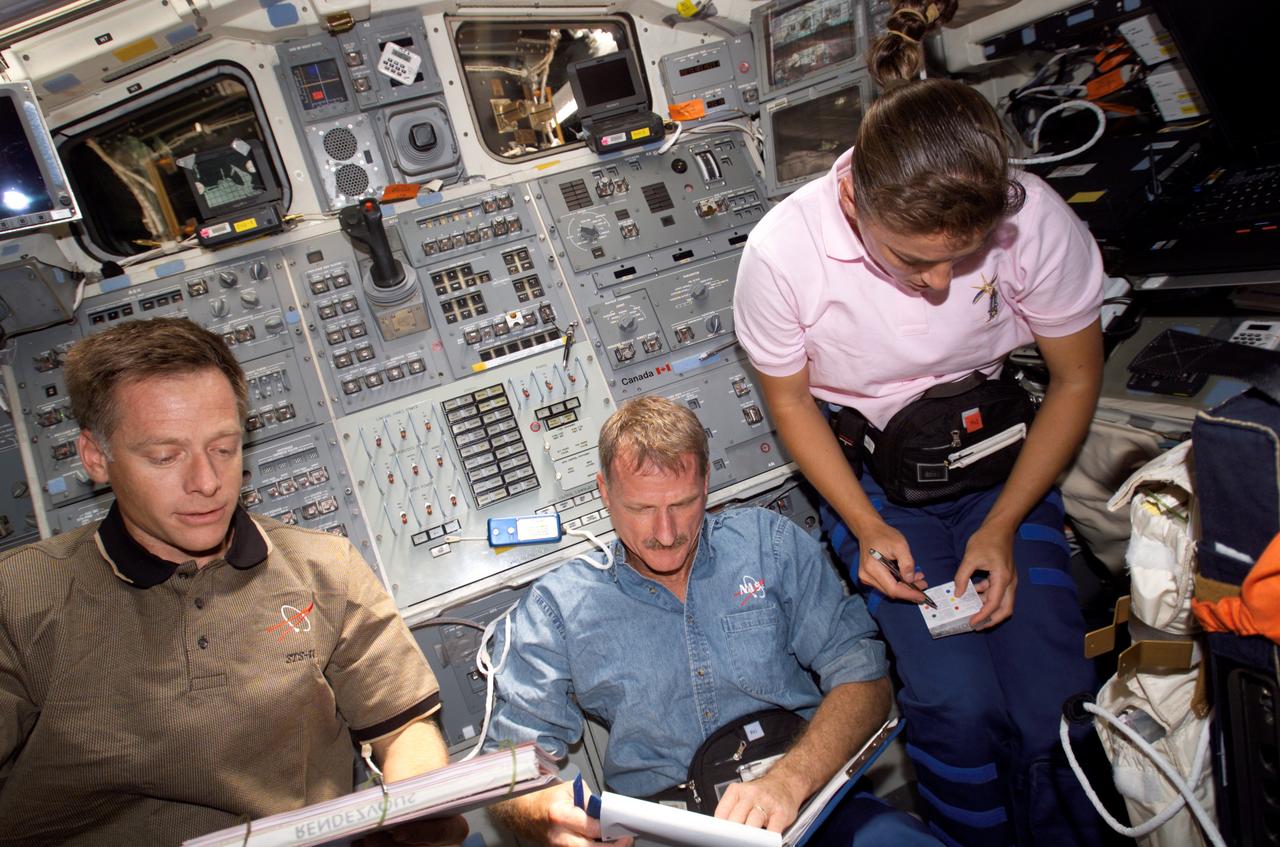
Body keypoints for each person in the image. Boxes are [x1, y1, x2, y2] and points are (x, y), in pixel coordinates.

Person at [732, 3, 1106, 845]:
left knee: (1050, 693)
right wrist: (864, 526)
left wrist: (1006, 523)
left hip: (1000, 465)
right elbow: (791, 401)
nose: (941, 285)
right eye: (912, 260)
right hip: (872, 484)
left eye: (963, 258)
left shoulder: (1034, 218)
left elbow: (1078, 374)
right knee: (955, 699)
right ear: (853, 196)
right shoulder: (784, 255)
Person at [0, 317, 465, 846]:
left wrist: (417, 809)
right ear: (95, 459)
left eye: (223, 448)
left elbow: (404, 729)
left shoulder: (324, 568)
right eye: (164, 456)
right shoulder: (18, 600)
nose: (206, 482)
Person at [483, 396, 941, 847]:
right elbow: (510, 762)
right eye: (641, 509)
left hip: (805, 799)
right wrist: (547, 812)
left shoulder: (768, 545)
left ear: (705, 485)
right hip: (669, 829)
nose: (666, 534)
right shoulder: (560, 608)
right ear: (605, 493)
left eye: (682, 504)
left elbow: (865, 679)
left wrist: (789, 781)